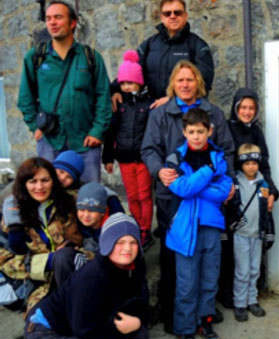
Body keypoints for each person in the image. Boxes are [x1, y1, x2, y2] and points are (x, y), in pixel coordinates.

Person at [141, 60, 234, 332]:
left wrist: (227, 183)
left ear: (198, 84)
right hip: (173, 199)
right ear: (173, 84)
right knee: (175, 260)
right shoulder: (160, 114)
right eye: (180, 80)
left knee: (207, 263)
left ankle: (203, 316)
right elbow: (149, 150)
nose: (185, 85)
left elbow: (227, 150)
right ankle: (176, 318)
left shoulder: (213, 113)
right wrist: (159, 171)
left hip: (207, 202)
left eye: (190, 80)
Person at [24, 213, 153, 339]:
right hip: (46, 334)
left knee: (140, 334)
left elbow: (141, 300)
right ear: (107, 243)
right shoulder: (92, 276)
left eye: (133, 242)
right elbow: (83, 327)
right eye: (119, 242)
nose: (127, 248)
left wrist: (138, 320)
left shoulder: (134, 267)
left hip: (81, 325)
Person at [17, 1, 111, 183]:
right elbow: (25, 98)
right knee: (51, 197)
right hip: (50, 141)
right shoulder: (35, 57)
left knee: (88, 199)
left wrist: (97, 131)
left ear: (72, 23)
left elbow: (103, 98)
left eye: (58, 17)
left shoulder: (91, 57)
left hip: (85, 142)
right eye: (48, 18)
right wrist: (34, 126)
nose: (52, 23)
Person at [165, 108, 232, 339]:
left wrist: (196, 186)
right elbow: (181, 189)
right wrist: (206, 174)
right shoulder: (175, 159)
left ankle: (206, 321)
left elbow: (224, 190)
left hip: (211, 227)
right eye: (191, 132)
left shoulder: (218, 155)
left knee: (209, 280)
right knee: (186, 283)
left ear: (209, 131)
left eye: (200, 132)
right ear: (184, 132)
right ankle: (185, 328)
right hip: (184, 230)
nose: (196, 136)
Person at [1, 158, 82, 310]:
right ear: (24, 183)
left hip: (72, 275)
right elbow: (4, 260)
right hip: (37, 286)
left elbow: (95, 194)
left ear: (53, 180)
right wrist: (48, 261)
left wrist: (111, 200)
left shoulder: (69, 202)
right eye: (33, 181)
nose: (39, 187)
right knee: (38, 327)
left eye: (45, 180)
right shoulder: (12, 215)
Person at [111, 0, 214, 111]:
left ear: (185, 16)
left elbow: (204, 82)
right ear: (162, 17)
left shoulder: (198, 45)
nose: (172, 16)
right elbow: (131, 71)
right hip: (155, 110)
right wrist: (116, 91)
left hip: (187, 112)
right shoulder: (150, 44)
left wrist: (173, 99)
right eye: (167, 13)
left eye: (177, 13)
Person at [103, 50, 154, 250]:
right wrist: (108, 157)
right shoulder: (119, 104)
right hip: (124, 158)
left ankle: (145, 228)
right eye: (123, 83)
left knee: (145, 195)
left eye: (130, 83)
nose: (126, 87)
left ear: (139, 82)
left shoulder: (149, 104)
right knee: (131, 195)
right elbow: (111, 131)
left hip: (142, 159)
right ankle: (135, 222)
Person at [229, 144, 273, 322]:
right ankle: (239, 302)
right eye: (247, 164)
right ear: (241, 165)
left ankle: (252, 300)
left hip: (257, 233)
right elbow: (230, 208)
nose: (251, 167)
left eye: (254, 163)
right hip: (241, 234)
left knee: (255, 269)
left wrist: (269, 232)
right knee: (242, 271)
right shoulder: (236, 183)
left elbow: (266, 210)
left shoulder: (263, 183)